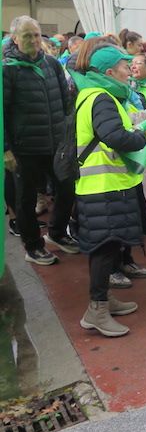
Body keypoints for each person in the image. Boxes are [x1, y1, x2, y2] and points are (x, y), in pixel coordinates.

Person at [72, 44, 146, 337]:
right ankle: (96, 310)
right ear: (108, 71)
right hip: (102, 186)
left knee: (109, 245)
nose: (129, 68)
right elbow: (114, 136)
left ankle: (104, 301)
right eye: (123, 64)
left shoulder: (95, 93)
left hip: (102, 185)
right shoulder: (102, 97)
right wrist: (140, 134)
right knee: (104, 249)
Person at [3, 16, 77, 266]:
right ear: (15, 38)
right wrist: (6, 150)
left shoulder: (52, 64)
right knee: (25, 199)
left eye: (36, 34)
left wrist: (67, 135)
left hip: (56, 145)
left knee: (67, 188)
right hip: (25, 149)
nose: (35, 40)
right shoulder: (8, 69)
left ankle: (56, 234)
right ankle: (33, 246)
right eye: (27, 35)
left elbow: (66, 104)